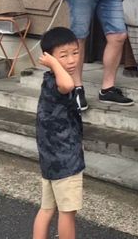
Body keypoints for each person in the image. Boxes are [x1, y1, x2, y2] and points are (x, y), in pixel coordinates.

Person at [32, 26, 85, 239]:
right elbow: (68, 83)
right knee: (67, 213)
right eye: (63, 55)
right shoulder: (59, 83)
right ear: (49, 59)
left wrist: (56, 62)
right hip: (65, 160)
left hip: (50, 160)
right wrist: (54, 63)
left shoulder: (48, 80)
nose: (71, 60)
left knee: (47, 209)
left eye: (75, 53)